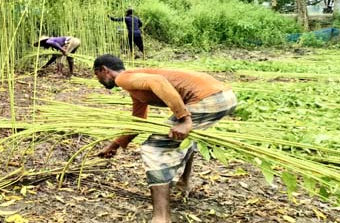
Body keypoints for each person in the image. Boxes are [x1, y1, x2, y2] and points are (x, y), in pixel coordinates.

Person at [92, 54, 236, 223]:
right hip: (224, 96)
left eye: (97, 75)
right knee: (182, 138)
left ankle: (161, 218)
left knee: (153, 148)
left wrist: (184, 119)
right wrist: (115, 145)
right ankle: (183, 183)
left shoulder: (124, 78)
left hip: (209, 98)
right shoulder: (134, 84)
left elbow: (158, 82)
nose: (98, 80)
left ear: (104, 70)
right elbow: (139, 121)